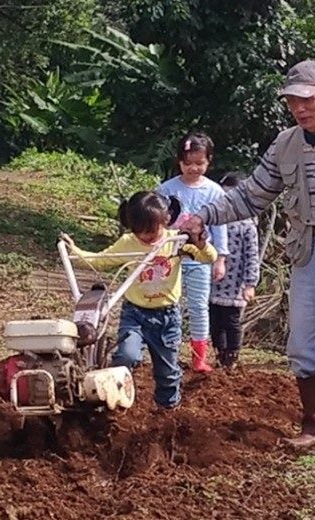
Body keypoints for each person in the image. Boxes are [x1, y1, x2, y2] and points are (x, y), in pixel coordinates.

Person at [181, 60, 315, 460]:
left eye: (307, 99)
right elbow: (251, 195)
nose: (299, 108)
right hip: (306, 254)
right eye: (292, 101)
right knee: (303, 344)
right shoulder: (286, 144)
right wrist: (204, 215)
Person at [61, 191, 217, 410]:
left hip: (167, 317)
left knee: (167, 371)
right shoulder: (128, 243)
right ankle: (114, 402)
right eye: (141, 232)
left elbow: (209, 258)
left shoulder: (176, 241)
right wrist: (72, 250)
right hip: (135, 314)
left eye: (152, 231)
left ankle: (167, 410)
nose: (147, 237)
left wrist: (200, 243)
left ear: (165, 220)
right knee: (126, 355)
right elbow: (100, 261)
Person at [158, 132, 229, 373]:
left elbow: (220, 228)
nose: (194, 168)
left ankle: (199, 358)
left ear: (209, 161)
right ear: (179, 162)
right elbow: (157, 225)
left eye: (199, 163)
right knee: (171, 305)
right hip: (171, 259)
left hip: (200, 259)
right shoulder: (166, 190)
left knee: (199, 307)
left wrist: (220, 259)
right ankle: (171, 352)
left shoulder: (215, 192)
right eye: (188, 163)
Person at [209, 172, 260, 369]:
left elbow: (252, 257)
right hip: (214, 280)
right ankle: (220, 354)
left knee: (231, 321)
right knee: (215, 320)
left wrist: (250, 284)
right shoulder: (215, 220)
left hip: (235, 284)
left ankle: (232, 356)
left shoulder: (247, 225)